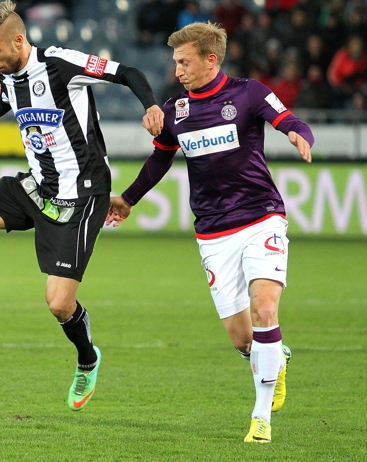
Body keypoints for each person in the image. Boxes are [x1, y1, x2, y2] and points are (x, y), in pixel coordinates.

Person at [0, 0, 164, 411]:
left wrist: (150, 105)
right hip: (37, 186)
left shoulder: (59, 64)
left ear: (18, 40)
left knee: (59, 304)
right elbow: (2, 99)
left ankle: (88, 358)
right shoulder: (9, 76)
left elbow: (127, 72)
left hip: (82, 194)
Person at [106, 22, 314, 442]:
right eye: (175, 63)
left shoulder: (249, 93)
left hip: (261, 217)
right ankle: (276, 357)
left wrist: (297, 134)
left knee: (265, 310)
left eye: (184, 62)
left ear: (210, 59)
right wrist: (128, 199)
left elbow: (289, 119)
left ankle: (261, 419)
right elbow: (160, 160)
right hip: (213, 232)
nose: (177, 70)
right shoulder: (175, 109)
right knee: (242, 339)